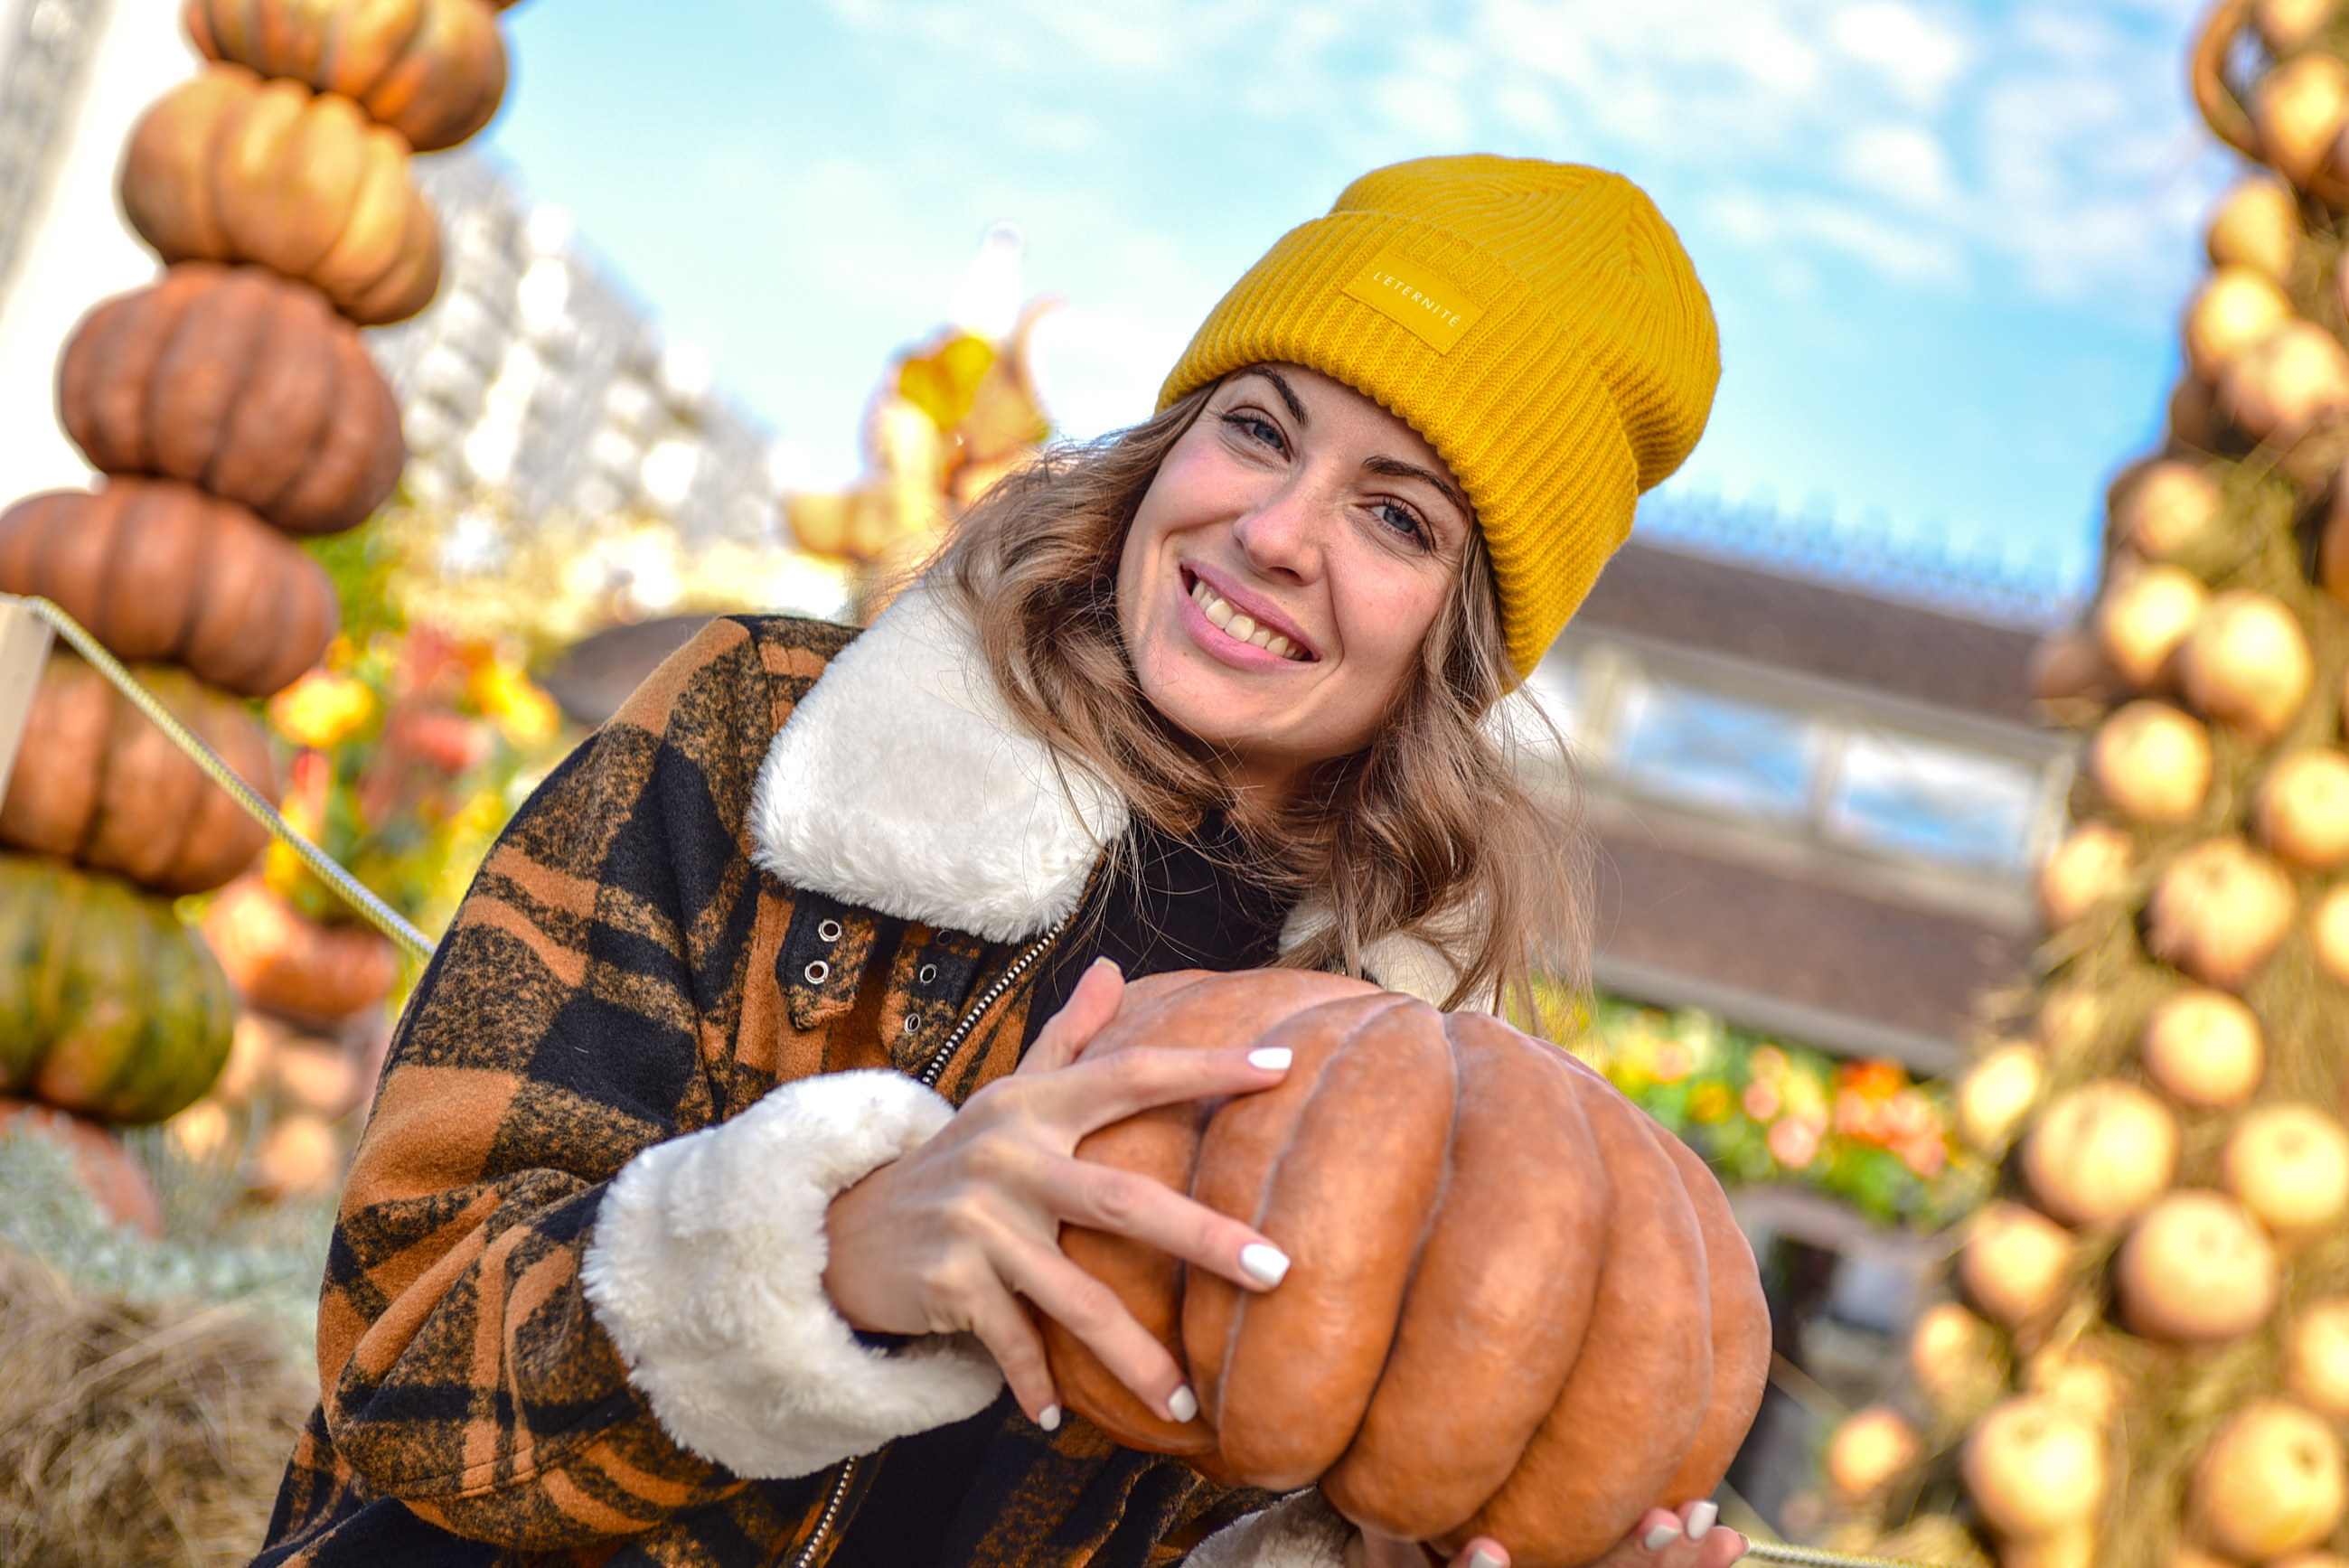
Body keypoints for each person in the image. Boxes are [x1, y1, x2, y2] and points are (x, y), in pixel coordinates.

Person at [255, 155, 1743, 1568]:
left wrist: (1380, 1545)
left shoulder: (1415, 1105)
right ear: (1170, 444)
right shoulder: (768, 728)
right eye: (1259, 427)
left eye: (1396, 516)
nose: (1278, 531)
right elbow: (401, 1348)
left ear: (1461, 634)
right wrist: (828, 1257)